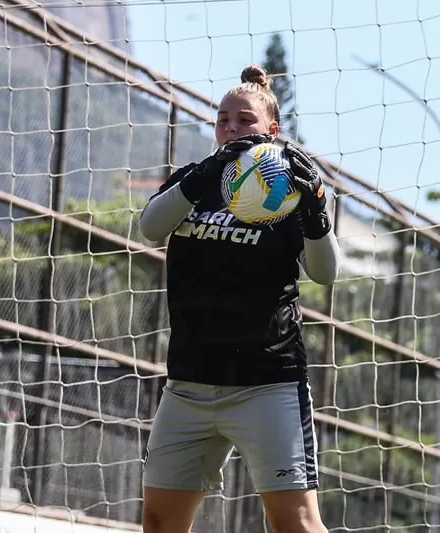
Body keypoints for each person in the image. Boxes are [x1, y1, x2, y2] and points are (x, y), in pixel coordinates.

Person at [138, 64, 339, 533]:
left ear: (271, 130)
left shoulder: (288, 197)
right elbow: (149, 228)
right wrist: (206, 172)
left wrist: (315, 211)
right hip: (188, 384)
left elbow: (325, 274)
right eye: (223, 118)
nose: (231, 127)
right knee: (158, 522)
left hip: (267, 385)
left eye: (244, 120)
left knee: (297, 525)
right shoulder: (193, 181)